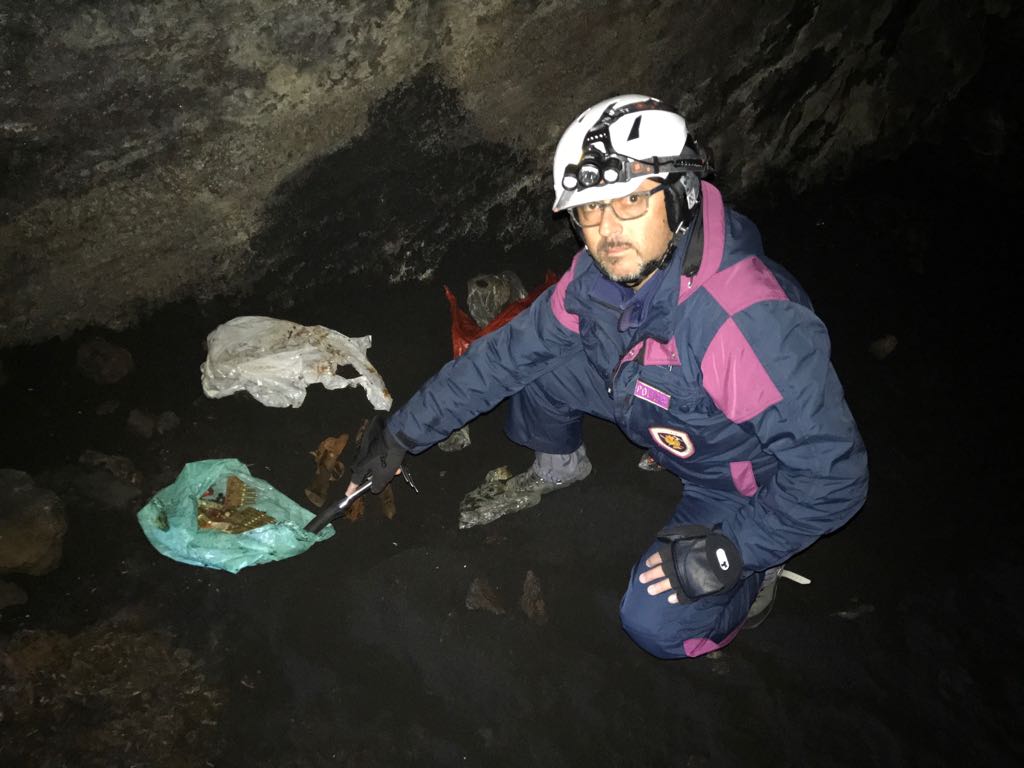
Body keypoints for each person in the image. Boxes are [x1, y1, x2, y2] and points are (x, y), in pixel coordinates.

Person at [347, 94, 869, 659]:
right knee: (537, 365)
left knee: (654, 624)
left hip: (735, 478)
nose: (606, 231)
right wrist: (403, 433)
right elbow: (504, 355)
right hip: (660, 402)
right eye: (589, 210)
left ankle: (756, 585)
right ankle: (562, 465)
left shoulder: (746, 325)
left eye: (629, 201)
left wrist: (734, 551)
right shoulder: (597, 279)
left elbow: (834, 475)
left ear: (681, 195)